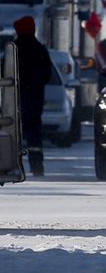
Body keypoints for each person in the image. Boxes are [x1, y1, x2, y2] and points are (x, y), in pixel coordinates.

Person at [13, 15, 52, 176]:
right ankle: (37, 167)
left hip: (15, 100)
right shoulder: (40, 49)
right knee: (34, 137)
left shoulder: (13, 49)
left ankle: (13, 166)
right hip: (35, 101)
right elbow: (47, 75)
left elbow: (5, 73)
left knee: (13, 135)